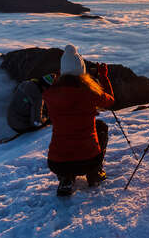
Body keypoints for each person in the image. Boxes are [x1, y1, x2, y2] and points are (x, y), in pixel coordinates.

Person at [43, 44, 115, 196]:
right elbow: (110, 101)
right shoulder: (89, 93)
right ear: (81, 69)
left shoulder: (50, 94)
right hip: (88, 161)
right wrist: (103, 77)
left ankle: (66, 178)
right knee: (101, 126)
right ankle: (94, 173)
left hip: (57, 163)